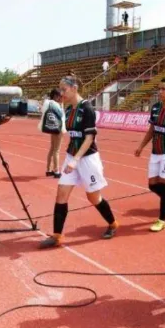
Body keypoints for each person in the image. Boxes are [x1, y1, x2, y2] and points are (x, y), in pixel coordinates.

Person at [39, 74, 118, 248]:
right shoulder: (68, 110)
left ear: (74, 88)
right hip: (71, 156)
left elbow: (89, 138)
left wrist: (75, 160)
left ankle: (113, 224)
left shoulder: (87, 108)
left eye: (64, 89)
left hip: (87, 158)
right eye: (60, 89)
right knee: (61, 193)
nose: (61, 93)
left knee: (93, 197)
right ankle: (57, 235)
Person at [135, 78, 165, 232]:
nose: (160, 92)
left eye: (164, 89)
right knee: (152, 185)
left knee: (164, 186)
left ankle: (162, 220)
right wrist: (141, 146)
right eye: (159, 89)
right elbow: (152, 130)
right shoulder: (155, 108)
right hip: (156, 152)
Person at [39, 88, 65, 178]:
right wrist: (61, 105)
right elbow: (61, 115)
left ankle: (48, 169)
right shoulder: (56, 104)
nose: (61, 98)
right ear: (56, 96)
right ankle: (56, 170)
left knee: (52, 149)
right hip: (58, 128)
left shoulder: (47, 103)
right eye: (60, 96)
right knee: (56, 150)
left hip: (52, 127)